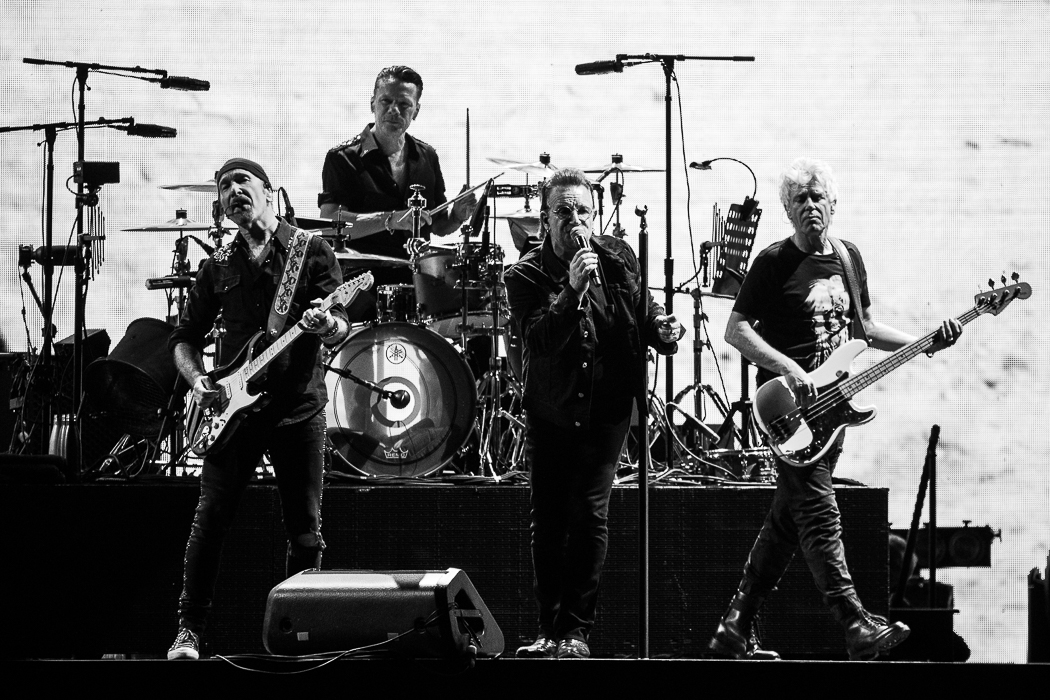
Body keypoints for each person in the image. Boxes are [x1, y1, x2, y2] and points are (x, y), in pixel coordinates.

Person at [706, 157, 962, 661]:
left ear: (833, 204)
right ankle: (854, 623)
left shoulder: (848, 257)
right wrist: (790, 368)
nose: (810, 206)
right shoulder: (773, 262)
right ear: (787, 209)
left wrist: (926, 341)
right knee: (821, 515)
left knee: (786, 522)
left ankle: (734, 628)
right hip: (787, 409)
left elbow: (865, 330)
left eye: (817, 197)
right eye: (799, 199)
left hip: (833, 411)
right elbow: (736, 330)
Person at [166, 158, 351, 660]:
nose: (232, 191)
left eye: (241, 181)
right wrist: (198, 380)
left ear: (269, 192)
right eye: (224, 187)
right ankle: (188, 630)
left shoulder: (310, 250)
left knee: (305, 530)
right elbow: (184, 339)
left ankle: (300, 634)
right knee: (210, 519)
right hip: (234, 409)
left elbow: (341, 325)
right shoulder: (218, 265)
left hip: (298, 407)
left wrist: (327, 325)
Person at [505, 168, 683, 659]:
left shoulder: (617, 256)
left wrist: (661, 330)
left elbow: (640, 313)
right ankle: (548, 629)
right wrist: (572, 290)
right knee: (549, 520)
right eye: (564, 211)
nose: (576, 220)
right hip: (553, 408)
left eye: (584, 210)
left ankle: (575, 632)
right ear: (546, 219)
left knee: (588, 515)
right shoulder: (524, 275)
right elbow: (538, 341)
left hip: (607, 408)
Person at [317, 65, 475, 292]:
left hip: (418, 282)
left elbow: (439, 226)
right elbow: (330, 223)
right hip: (361, 285)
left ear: (416, 111)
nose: (394, 110)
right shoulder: (342, 158)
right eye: (386, 101)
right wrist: (390, 219)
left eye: (404, 104)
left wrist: (457, 216)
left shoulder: (427, 156)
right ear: (372, 104)